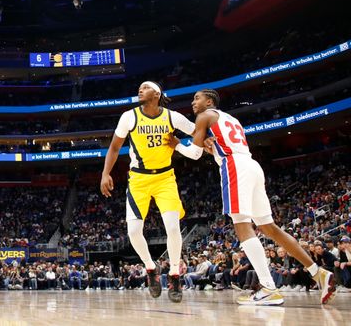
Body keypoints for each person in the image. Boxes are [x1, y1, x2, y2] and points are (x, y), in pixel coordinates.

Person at [190, 88, 336, 306]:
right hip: (251, 166)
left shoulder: (205, 115)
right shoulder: (231, 119)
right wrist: (210, 147)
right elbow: (223, 147)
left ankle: (269, 288)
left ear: (209, 101)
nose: (193, 103)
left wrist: (175, 143)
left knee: (241, 225)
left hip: (234, 167)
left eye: (197, 98)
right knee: (269, 227)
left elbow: (193, 152)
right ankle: (318, 273)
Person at [100, 81, 200, 303]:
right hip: (138, 179)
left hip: (165, 177)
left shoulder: (172, 117)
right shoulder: (129, 116)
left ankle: (175, 274)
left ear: (156, 94)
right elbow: (114, 147)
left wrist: (196, 142)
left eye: (145, 88)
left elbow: (198, 131)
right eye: (139, 88)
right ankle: (151, 269)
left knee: (173, 228)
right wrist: (106, 173)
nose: (139, 89)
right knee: (134, 232)